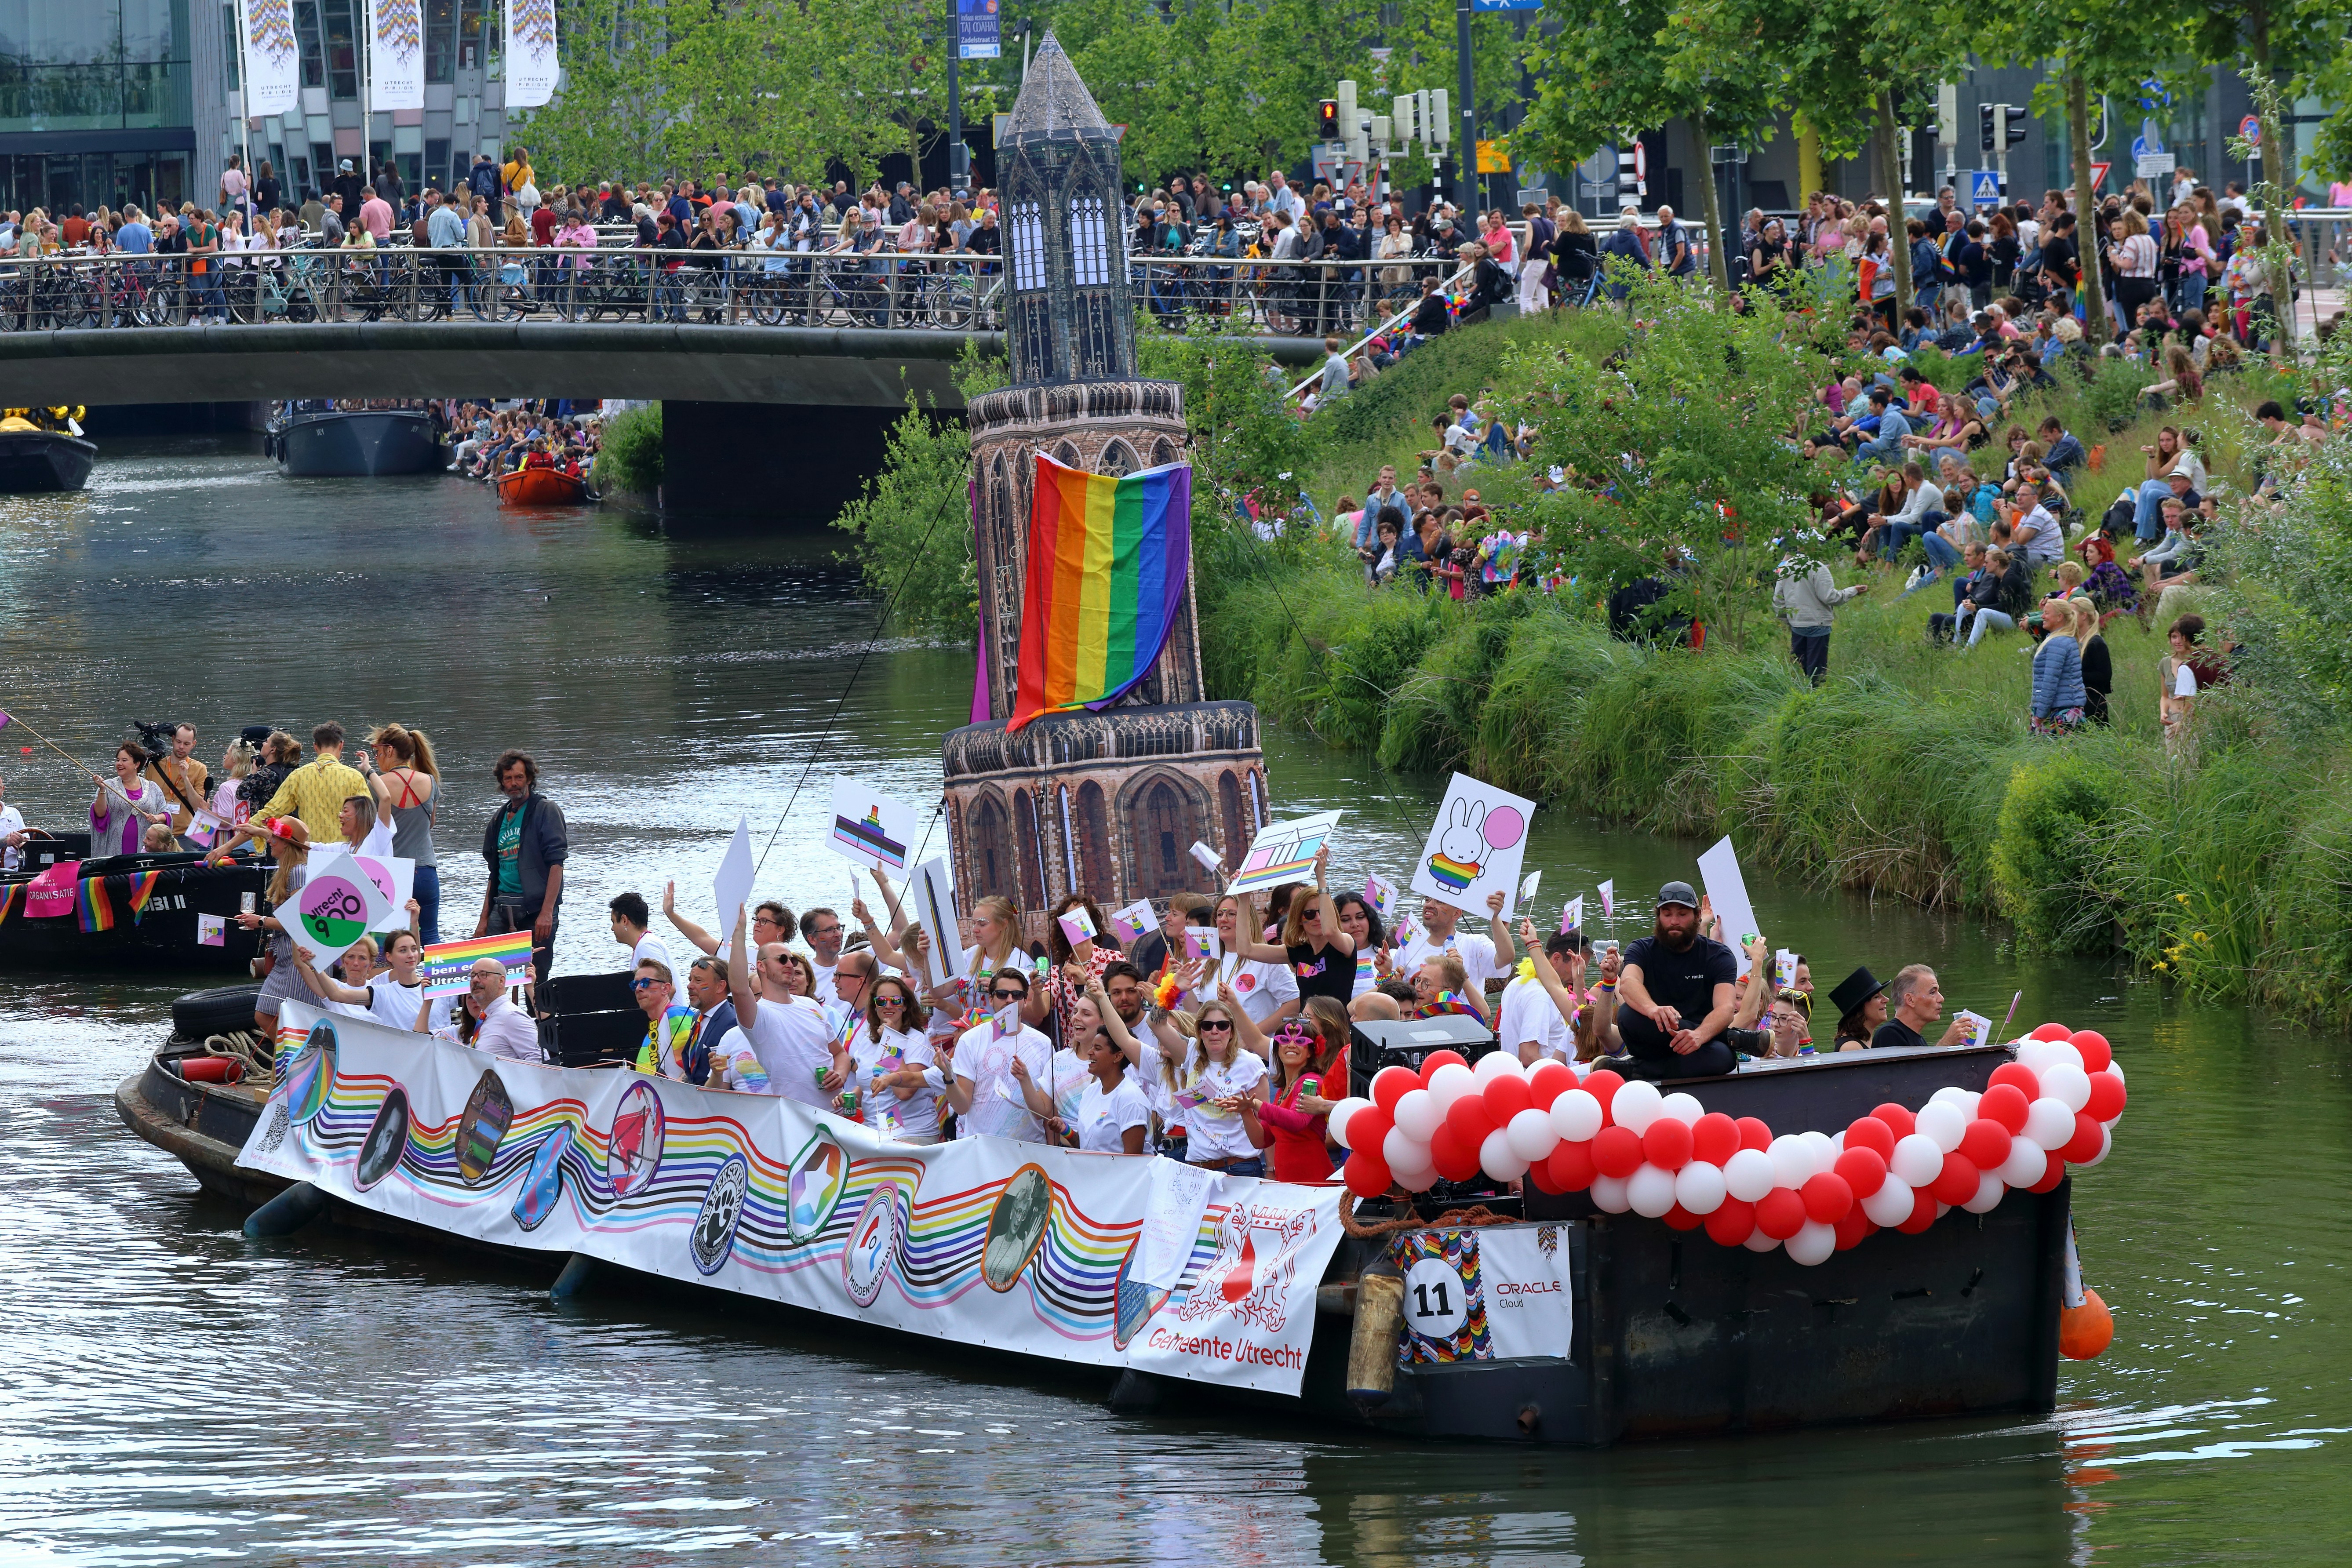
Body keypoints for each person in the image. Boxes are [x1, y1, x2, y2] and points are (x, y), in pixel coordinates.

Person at [722, 902, 846, 1109]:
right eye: (781, 960)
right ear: (761, 966)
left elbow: (840, 1053)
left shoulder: (811, 1006)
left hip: (838, 1113)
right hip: (796, 1119)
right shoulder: (759, 1015)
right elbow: (739, 988)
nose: (789, 965)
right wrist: (738, 932)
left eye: (791, 960)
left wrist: (840, 1074)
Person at [1612, 881, 1737, 1079]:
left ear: (1697, 916)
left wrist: (1699, 1035)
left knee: (1723, 1058)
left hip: (1698, 1045)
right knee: (1628, 1015)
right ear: (1659, 917)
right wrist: (1653, 1010)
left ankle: (1638, 1069)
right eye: (1667, 914)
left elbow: (1726, 1008)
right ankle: (1730, 1037)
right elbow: (1628, 984)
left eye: (1682, 914)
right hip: (1654, 1036)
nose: (1674, 921)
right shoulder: (1641, 949)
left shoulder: (1719, 955)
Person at [473, 750, 567, 987]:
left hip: (536, 910)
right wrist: (483, 919)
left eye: (519, 777)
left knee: (536, 978)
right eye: (508, 779)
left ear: (530, 779)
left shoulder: (546, 811)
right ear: (502, 783)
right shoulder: (498, 819)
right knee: (487, 972)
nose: (514, 784)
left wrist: (547, 912)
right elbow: (494, 873)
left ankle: (539, 1022)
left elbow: (557, 864)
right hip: (502, 906)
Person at [944, 965, 1055, 1143]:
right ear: (991, 999)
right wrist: (948, 1077)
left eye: (1017, 995)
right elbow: (961, 1107)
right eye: (1002, 994)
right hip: (983, 1150)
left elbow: (1048, 1111)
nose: (1010, 1000)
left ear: (1025, 1001)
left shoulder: (1043, 1043)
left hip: (1029, 1150)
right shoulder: (971, 1040)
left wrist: (1053, 1152)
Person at [360, 723, 440, 944]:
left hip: (392, 874)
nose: (376, 758)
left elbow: (370, 831)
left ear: (389, 750)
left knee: (392, 941)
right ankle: (435, 978)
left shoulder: (377, 785)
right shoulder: (430, 781)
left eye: (377, 752)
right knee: (430, 935)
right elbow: (430, 823)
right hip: (425, 870)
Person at [1022, 1023, 1149, 1153]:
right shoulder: (1090, 1092)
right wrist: (1065, 1130)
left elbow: (1133, 1161)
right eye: (1092, 1047)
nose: (1090, 1052)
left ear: (1118, 1056)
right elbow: (1084, 1147)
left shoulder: (1131, 1098)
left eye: (1098, 1049)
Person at [851, 972, 941, 1141]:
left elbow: (905, 1092)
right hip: (874, 1133)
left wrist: (889, 1040)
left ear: (905, 1006)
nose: (888, 1006)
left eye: (896, 1001)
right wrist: (850, 1097)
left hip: (912, 1134)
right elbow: (870, 1083)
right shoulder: (867, 1042)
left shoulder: (916, 1039)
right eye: (881, 1001)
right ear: (875, 1007)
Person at [255, 722, 370, 842]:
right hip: (344, 851)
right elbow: (368, 816)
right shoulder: (354, 777)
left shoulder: (298, 776)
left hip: (311, 851)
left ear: (315, 747)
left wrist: (246, 828)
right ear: (341, 745)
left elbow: (272, 811)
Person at [1772, 554, 1867, 685]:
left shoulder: (1786, 568)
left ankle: (1798, 698)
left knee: (1798, 668)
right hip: (1818, 624)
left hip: (1797, 625)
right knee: (1817, 671)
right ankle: (1816, 699)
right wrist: (1853, 591)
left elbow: (1778, 600)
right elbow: (1830, 597)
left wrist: (1789, 621)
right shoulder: (1818, 567)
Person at [430, 956, 541, 1061]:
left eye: (483, 975)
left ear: (501, 981)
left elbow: (540, 1063)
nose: (476, 980)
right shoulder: (485, 1019)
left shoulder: (512, 1016)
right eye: (473, 976)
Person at [630, 959, 707, 1083]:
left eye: (645, 983)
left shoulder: (677, 1015)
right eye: (635, 984)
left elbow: (695, 1064)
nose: (638, 989)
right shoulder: (652, 1031)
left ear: (666, 989)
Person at [91, 742, 172, 855]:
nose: (119, 764)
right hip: (115, 848)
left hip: (145, 849)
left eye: (124, 760)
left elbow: (166, 814)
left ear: (137, 764)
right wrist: (102, 789)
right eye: (118, 760)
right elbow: (99, 815)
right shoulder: (108, 786)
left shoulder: (153, 787)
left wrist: (157, 817)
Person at [1868, 964, 1969, 1051]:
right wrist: (1946, 1043)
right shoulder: (1890, 1035)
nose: (1941, 998)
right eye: (1933, 993)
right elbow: (1916, 1073)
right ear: (1911, 1000)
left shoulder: (1917, 1038)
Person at [142, 723, 209, 845]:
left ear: (194, 744)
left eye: (187, 744)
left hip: (188, 835)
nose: (181, 747)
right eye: (178, 742)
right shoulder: (154, 766)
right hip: (159, 834)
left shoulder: (200, 768)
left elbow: (200, 808)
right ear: (173, 739)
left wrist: (186, 779)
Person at [609, 891, 673, 979]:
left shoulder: (647, 946)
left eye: (614, 922)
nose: (612, 928)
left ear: (624, 920)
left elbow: (668, 987)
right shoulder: (644, 944)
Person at [1828, 966, 1887, 1051]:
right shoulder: (1851, 1047)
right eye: (1877, 997)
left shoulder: (1870, 1042)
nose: (1886, 999)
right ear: (1860, 1008)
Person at [0, 770, 28, 872]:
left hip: (16, 873)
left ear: (3, 789)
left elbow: (27, 843)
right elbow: (7, 841)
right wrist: (7, 842)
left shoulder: (14, 813)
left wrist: (19, 841)